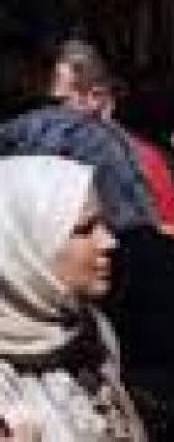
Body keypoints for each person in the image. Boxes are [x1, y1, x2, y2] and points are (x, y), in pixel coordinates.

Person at [0, 155, 147, 441]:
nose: (109, 241)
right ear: (23, 249)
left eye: (103, 223)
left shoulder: (88, 330)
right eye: (84, 229)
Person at [48, 40, 174, 240]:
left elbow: (170, 240)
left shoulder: (144, 163)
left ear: (97, 97)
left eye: (60, 102)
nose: (44, 115)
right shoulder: (47, 158)